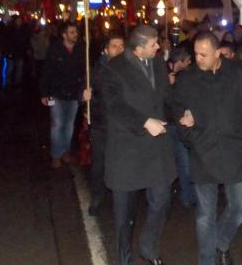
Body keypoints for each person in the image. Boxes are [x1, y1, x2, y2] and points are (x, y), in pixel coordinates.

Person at [173, 31, 242, 265]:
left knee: (240, 206)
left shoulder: (238, 73)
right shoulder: (187, 79)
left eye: (204, 54)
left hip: (233, 151)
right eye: (196, 54)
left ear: (218, 52)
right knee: (205, 215)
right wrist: (191, 138)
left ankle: (221, 241)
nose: (198, 59)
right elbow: (177, 111)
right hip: (203, 153)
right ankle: (207, 259)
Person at [98, 25, 176, 265]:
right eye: (153, 44)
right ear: (139, 48)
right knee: (124, 213)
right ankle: (124, 257)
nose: (158, 47)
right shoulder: (114, 68)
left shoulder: (158, 63)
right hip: (127, 148)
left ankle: (148, 245)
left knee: (162, 199)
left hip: (156, 148)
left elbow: (166, 96)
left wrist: (184, 111)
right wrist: (144, 122)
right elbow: (115, 105)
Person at [39, 22, 90, 169]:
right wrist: (44, 93)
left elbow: (84, 70)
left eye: (76, 32)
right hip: (56, 93)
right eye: (72, 32)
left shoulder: (81, 49)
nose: (75, 34)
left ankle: (66, 151)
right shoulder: (55, 49)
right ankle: (56, 154)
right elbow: (47, 71)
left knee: (69, 125)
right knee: (57, 124)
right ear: (64, 35)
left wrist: (84, 87)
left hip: (74, 93)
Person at [87, 33, 125, 215]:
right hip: (101, 124)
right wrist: (85, 96)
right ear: (105, 50)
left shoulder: (129, 70)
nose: (118, 49)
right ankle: (97, 196)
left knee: (120, 162)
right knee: (99, 164)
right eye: (114, 46)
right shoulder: (96, 71)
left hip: (122, 125)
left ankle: (121, 198)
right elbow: (86, 94)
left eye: (121, 46)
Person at [166, 46, 196, 208]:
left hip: (182, 124)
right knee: (182, 163)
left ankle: (188, 196)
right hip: (170, 125)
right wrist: (168, 85)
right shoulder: (164, 73)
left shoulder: (187, 75)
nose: (190, 63)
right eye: (188, 61)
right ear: (181, 61)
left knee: (186, 163)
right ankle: (186, 196)